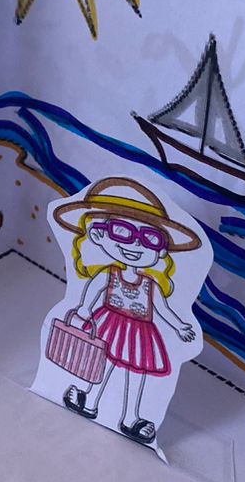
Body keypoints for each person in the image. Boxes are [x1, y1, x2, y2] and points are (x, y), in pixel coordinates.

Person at [55, 177, 200, 445]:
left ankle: (131, 418)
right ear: (98, 235)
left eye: (150, 239)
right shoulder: (109, 274)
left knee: (136, 373)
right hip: (110, 324)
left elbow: (162, 308)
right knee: (102, 364)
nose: (136, 245)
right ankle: (90, 400)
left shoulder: (150, 284)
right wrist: (84, 309)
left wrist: (180, 326)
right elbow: (92, 290)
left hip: (141, 333)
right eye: (122, 231)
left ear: (161, 251)